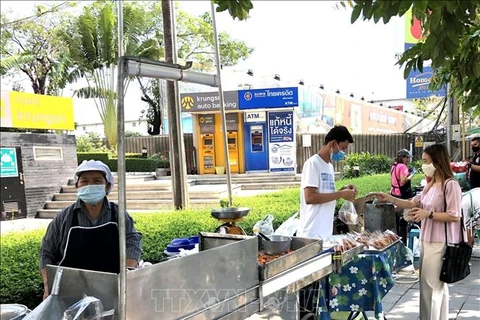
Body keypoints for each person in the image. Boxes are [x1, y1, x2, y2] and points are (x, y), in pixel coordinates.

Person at [375, 144, 464, 320]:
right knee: (433, 288)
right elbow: (411, 203)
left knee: (431, 288)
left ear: (437, 162)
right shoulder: (430, 185)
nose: (422, 165)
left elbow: (455, 216)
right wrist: (389, 198)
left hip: (440, 242)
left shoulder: (450, 184)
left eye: (425, 161)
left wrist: (428, 214)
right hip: (427, 240)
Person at [39, 160, 142, 299]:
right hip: (71, 291)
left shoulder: (119, 215)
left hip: (112, 288)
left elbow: (132, 241)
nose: (90, 185)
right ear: (77, 186)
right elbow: (46, 253)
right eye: (85, 181)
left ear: (107, 186)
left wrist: (128, 274)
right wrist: (48, 285)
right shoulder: (63, 218)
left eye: (97, 181)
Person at [298, 125, 356, 318]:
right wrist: (341, 194)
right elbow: (311, 197)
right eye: (344, 148)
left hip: (325, 234)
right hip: (311, 234)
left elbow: (325, 194)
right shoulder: (312, 164)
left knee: (321, 287)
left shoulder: (329, 166)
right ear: (333, 144)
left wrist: (343, 190)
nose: (344, 153)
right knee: (309, 290)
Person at [390, 149, 415, 244]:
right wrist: (411, 175)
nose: (408, 160)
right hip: (402, 195)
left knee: (396, 219)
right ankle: (403, 242)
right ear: (403, 158)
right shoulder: (403, 167)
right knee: (403, 220)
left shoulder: (394, 166)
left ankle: (395, 240)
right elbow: (403, 180)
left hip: (394, 193)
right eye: (407, 158)